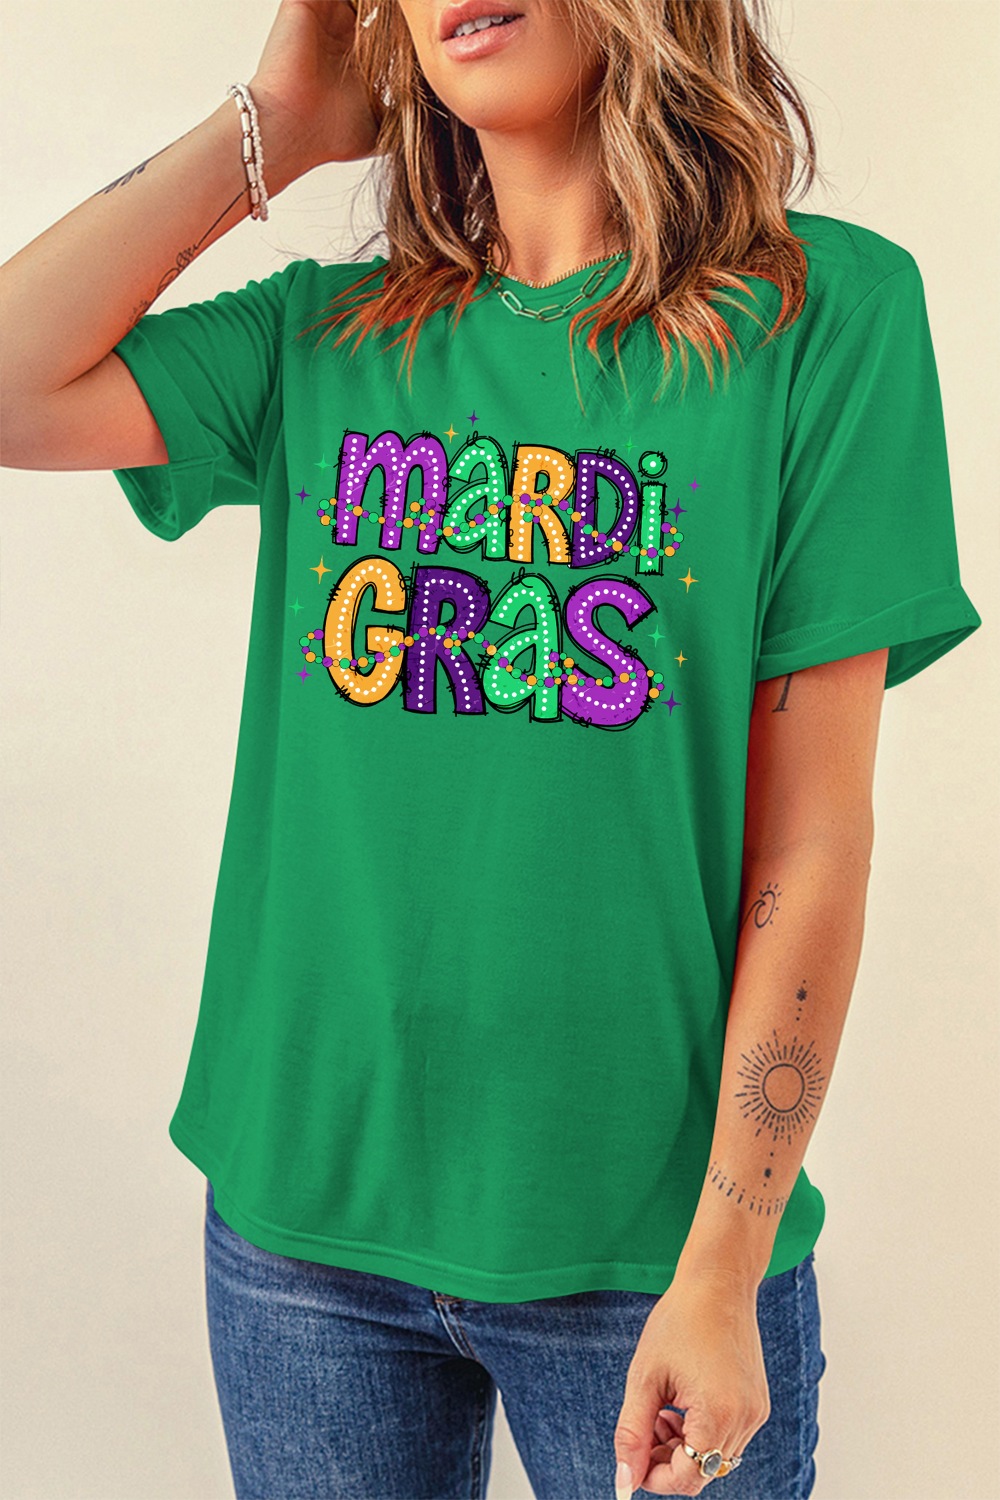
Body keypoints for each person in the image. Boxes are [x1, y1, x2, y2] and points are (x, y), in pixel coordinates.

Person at [0, 0, 982, 1496]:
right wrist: (275, 127)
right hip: (304, 1235)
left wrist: (725, 1266)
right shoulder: (328, 334)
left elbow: (813, 841)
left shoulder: (820, 318)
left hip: (653, 1254)